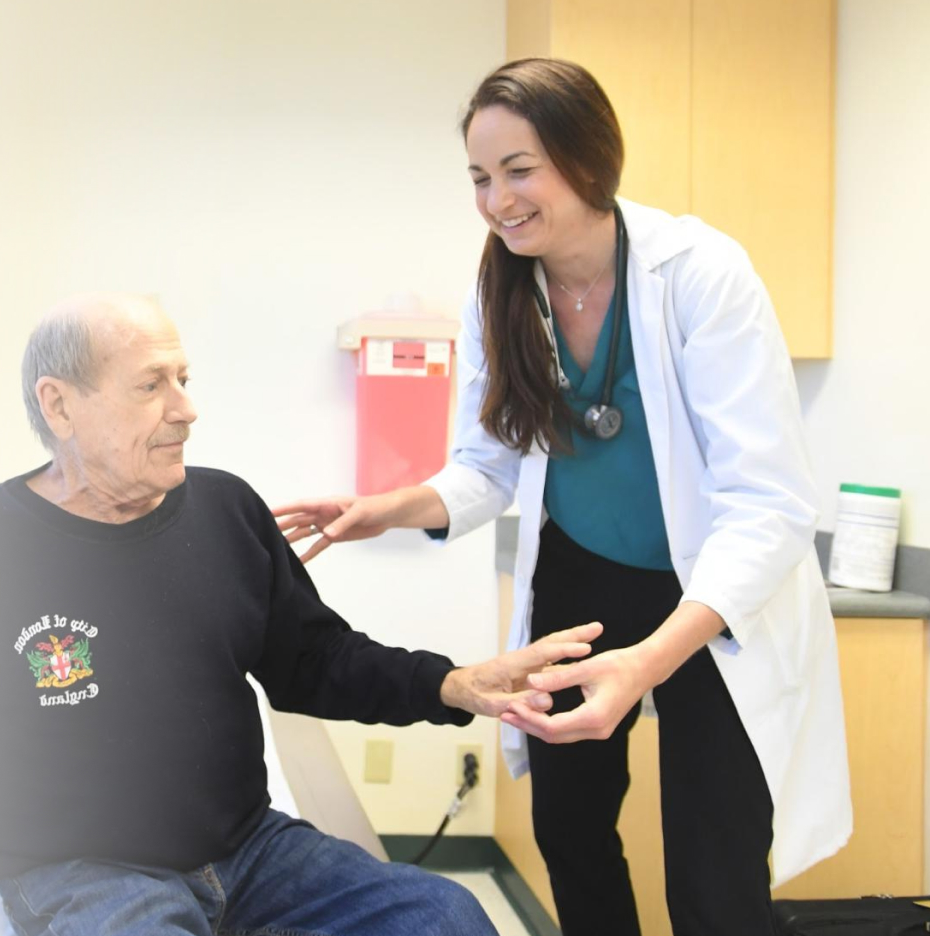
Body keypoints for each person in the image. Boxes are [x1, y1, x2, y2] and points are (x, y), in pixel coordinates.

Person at [0, 292, 604, 936]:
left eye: (184, 378)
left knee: (446, 918)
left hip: (250, 852)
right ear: (59, 406)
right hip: (80, 873)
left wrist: (454, 684)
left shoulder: (226, 511)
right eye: (151, 384)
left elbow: (316, 662)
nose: (186, 409)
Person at [274, 59, 851, 936]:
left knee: (714, 861)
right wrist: (383, 508)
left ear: (586, 160)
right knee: (571, 834)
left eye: (519, 169)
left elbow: (768, 503)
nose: (496, 199)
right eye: (478, 176)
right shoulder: (501, 287)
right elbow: (486, 467)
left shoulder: (697, 273)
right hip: (582, 578)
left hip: (715, 598)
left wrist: (650, 660)